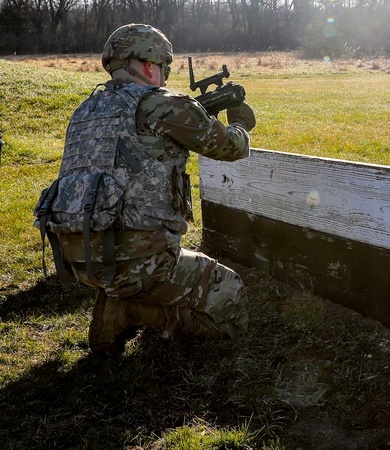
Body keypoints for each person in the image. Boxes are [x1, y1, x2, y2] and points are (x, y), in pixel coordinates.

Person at [33, 23, 256, 355]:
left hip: (82, 262)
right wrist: (240, 122)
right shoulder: (160, 104)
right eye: (165, 68)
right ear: (150, 64)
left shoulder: (86, 110)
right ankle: (127, 310)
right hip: (139, 262)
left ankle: (118, 299)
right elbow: (231, 147)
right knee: (232, 300)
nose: (165, 77)